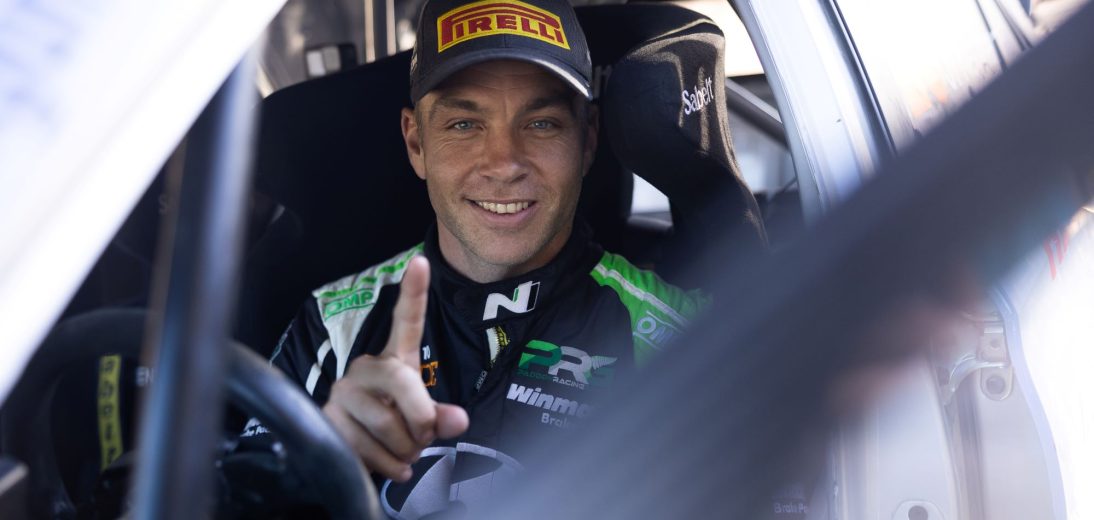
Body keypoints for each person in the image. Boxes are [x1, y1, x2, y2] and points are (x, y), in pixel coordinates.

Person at [242, 0, 706, 516]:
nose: (504, 164)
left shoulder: (677, 340)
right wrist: (315, 464)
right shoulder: (335, 324)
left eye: (542, 123)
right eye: (464, 124)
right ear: (416, 143)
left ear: (588, 139)